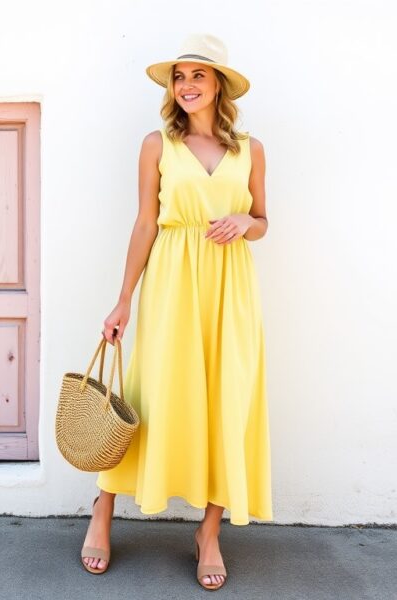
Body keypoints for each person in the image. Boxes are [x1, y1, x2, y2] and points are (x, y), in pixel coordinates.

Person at [79, 33, 273, 591]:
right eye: (179, 77)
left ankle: (208, 532)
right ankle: (103, 508)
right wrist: (124, 299)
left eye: (198, 76)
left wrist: (245, 223)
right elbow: (145, 223)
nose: (187, 86)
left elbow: (263, 219)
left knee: (224, 398)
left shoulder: (250, 150)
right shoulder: (156, 145)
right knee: (148, 392)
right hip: (171, 279)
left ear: (219, 87)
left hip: (230, 286)